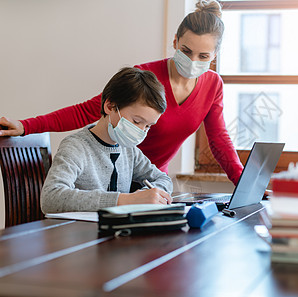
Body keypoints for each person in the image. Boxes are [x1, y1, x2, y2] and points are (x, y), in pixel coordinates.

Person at [0, 0, 244, 186]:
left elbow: (219, 139)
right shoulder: (146, 77)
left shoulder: (213, 86)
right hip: (114, 178)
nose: (192, 61)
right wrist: (27, 126)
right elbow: (88, 110)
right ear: (175, 41)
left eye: (203, 56)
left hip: (153, 182)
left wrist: (241, 181)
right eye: (186, 50)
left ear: (214, 56)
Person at [40, 67, 173, 213]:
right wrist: (125, 200)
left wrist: (149, 195)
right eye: (136, 121)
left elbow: (164, 179)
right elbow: (50, 197)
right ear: (110, 106)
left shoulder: (129, 150)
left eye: (148, 126)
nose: (141, 131)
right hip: (81, 232)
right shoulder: (76, 146)